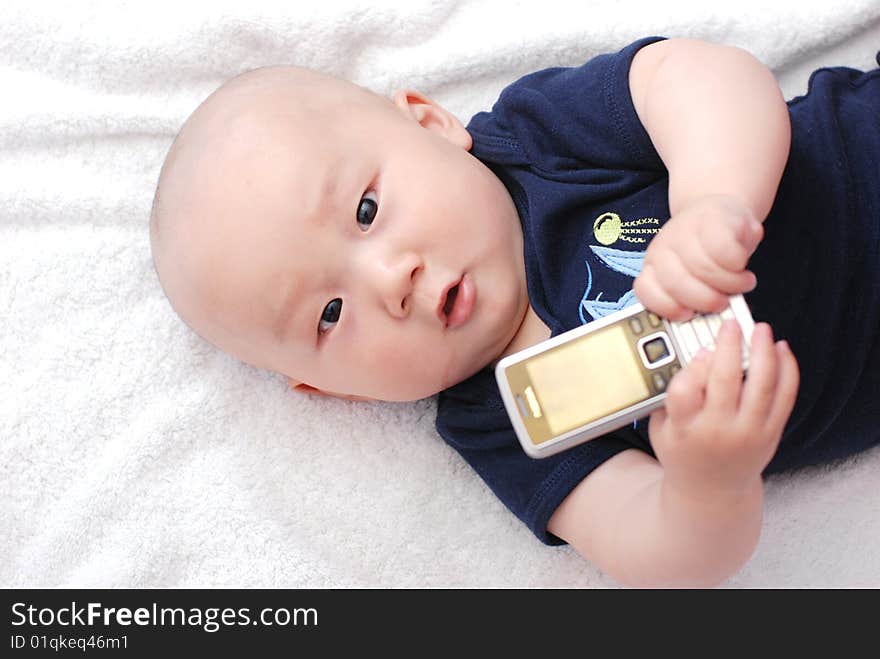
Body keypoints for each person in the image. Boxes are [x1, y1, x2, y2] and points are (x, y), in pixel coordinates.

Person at [149, 36, 880, 587]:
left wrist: (714, 196)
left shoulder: (536, 141)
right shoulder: (498, 425)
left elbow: (703, 78)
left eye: (368, 209)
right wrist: (708, 484)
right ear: (339, 391)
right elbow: (654, 548)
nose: (389, 280)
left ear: (431, 124)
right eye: (330, 314)